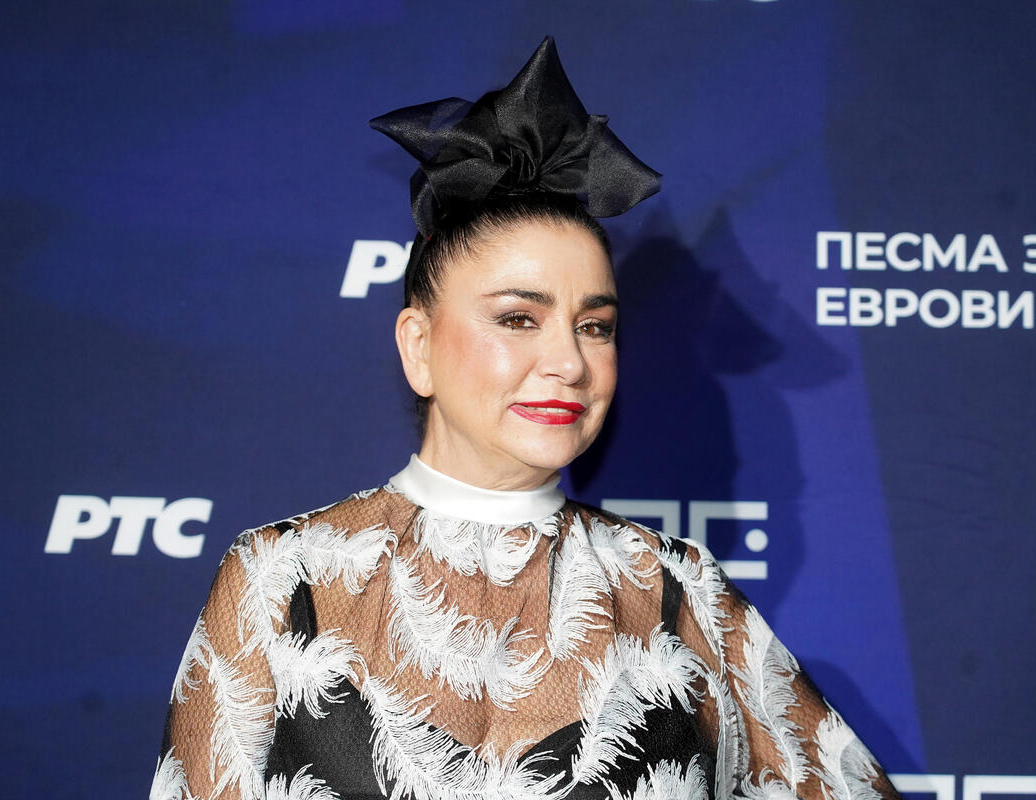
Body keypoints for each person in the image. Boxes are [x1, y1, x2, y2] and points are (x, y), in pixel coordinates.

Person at [149, 37, 903, 800]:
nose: (569, 362)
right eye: (518, 319)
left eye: (595, 326)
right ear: (418, 347)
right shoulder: (280, 580)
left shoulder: (679, 590)